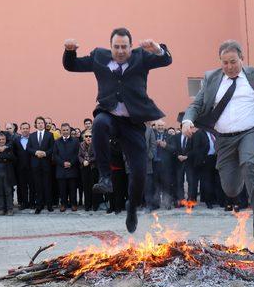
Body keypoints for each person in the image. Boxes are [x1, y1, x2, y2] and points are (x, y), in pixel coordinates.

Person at [182, 39, 254, 237]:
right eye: (224, 63)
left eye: (233, 62)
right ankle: (245, 180)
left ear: (242, 59)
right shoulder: (211, 78)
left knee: (250, 162)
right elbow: (196, 105)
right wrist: (187, 120)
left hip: (251, 132)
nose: (229, 67)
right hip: (224, 138)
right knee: (230, 188)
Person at [63, 27, 172, 233]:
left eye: (124, 47)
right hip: (109, 115)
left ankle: (131, 208)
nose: (120, 51)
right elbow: (72, 66)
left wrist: (157, 49)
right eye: (116, 47)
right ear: (110, 46)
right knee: (99, 124)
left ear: (131, 47)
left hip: (133, 123)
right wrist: (69, 51)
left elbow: (166, 60)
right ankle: (105, 177)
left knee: (139, 173)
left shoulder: (141, 57)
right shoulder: (99, 57)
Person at [27, 116, 55, 214]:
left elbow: (53, 148)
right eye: (38, 123)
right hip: (35, 164)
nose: (40, 124)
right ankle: (39, 205)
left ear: (44, 124)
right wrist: (36, 152)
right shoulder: (32, 135)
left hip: (46, 163)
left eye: (42, 123)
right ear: (36, 125)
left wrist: (45, 153)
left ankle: (49, 205)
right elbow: (28, 148)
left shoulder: (50, 135)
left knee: (47, 185)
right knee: (38, 186)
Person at [53, 123, 80, 211]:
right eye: (63, 130)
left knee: (73, 188)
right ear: (61, 131)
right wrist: (63, 163)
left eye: (67, 130)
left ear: (69, 130)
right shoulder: (57, 141)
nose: (65, 132)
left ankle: (73, 204)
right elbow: (55, 155)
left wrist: (71, 163)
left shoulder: (75, 141)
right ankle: (63, 204)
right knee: (62, 189)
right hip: (61, 169)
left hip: (72, 168)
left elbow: (77, 154)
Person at [13, 122, 34, 210]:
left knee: (33, 186)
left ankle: (32, 202)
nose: (25, 130)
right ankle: (24, 203)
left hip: (32, 167)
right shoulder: (16, 140)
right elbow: (14, 154)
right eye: (23, 128)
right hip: (20, 167)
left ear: (29, 129)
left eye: (27, 128)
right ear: (20, 129)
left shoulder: (33, 139)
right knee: (22, 186)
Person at [78, 130, 97, 211]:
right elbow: (79, 155)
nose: (88, 138)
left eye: (90, 136)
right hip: (84, 168)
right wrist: (83, 161)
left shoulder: (96, 144)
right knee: (86, 187)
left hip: (93, 168)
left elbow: (96, 155)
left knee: (94, 187)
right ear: (83, 138)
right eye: (86, 136)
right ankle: (87, 205)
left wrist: (88, 161)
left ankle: (95, 205)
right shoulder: (81, 145)